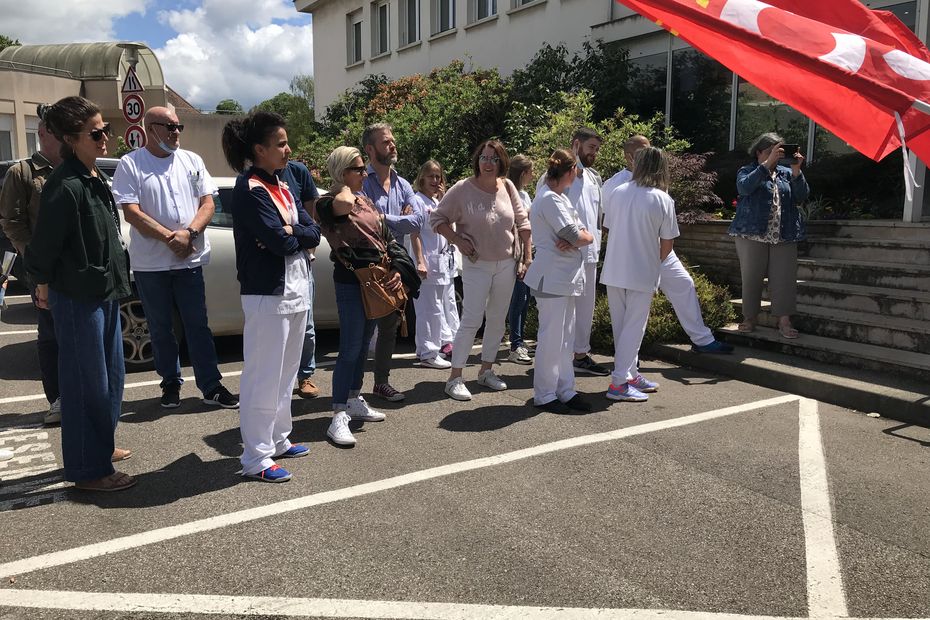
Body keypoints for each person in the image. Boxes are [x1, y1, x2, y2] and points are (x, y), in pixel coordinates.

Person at [25, 96, 135, 491]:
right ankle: (89, 470)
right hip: (77, 296)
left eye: (106, 129)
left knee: (112, 380)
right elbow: (42, 249)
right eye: (97, 132)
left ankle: (98, 448)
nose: (107, 137)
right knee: (87, 385)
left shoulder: (92, 177)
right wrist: (41, 285)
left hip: (103, 291)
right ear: (72, 138)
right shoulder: (66, 186)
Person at [112, 106, 238, 410]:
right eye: (170, 127)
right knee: (161, 328)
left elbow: (207, 203)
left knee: (198, 325)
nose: (176, 132)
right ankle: (170, 383)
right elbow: (131, 211)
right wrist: (171, 237)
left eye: (178, 126)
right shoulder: (131, 164)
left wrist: (190, 234)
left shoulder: (192, 161)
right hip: (151, 265)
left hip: (189, 261)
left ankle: (211, 386)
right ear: (150, 129)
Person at [221, 111, 320, 482]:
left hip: (295, 290)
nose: (287, 149)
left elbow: (313, 231)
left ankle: (279, 437)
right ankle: (256, 457)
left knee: (287, 371)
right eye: (280, 144)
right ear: (259, 149)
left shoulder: (282, 184)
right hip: (267, 294)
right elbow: (280, 242)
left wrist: (292, 231)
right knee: (262, 375)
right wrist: (292, 235)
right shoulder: (249, 188)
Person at [317, 146, 414, 446]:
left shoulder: (366, 200)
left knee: (362, 347)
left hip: (377, 279)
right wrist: (343, 184)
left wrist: (398, 266)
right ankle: (337, 415)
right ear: (342, 171)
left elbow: (385, 236)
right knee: (349, 347)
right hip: (352, 281)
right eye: (358, 169)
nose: (364, 173)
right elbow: (343, 203)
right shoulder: (329, 202)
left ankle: (353, 398)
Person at [603, 134, 733, 355]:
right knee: (630, 315)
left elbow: (663, 222)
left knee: (684, 284)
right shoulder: (614, 185)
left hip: (660, 250)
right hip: (632, 254)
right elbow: (607, 224)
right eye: (641, 153)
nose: (647, 156)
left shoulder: (656, 184)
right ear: (628, 157)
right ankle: (628, 364)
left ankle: (701, 339)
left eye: (649, 150)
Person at [431, 140, 532, 401]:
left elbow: (523, 223)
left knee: (498, 319)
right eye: (484, 158)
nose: (488, 163)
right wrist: (458, 241)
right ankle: (455, 378)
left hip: (506, 264)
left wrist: (526, 257)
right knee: (472, 320)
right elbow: (437, 219)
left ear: (502, 162)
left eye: (494, 159)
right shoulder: (463, 188)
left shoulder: (507, 186)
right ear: (477, 160)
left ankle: (486, 370)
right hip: (477, 264)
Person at [600, 147, 679, 403]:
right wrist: (650, 262)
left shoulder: (617, 192)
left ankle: (630, 375)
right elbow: (667, 245)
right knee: (634, 328)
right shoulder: (663, 199)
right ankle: (619, 383)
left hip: (614, 269)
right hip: (640, 272)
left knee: (622, 327)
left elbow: (609, 228)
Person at [0, 105, 63, 425]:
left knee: (78, 339)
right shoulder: (22, 173)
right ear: (42, 134)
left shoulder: (75, 166)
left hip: (76, 268)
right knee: (52, 337)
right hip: (43, 270)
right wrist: (36, 267)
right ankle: (58, 400)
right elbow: (12, 224)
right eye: (57, 130)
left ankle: (83, 403)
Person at [524, 150, 594, 413]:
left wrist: (582, 236)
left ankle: (565, 390)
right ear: (571, 171)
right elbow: (575, 235)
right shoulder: (550, 199)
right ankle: (544, 394)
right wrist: (584, 237)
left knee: (565, 339)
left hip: (563, 279)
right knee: (552, 339)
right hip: (552, 278)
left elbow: (579, 234)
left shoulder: (558, 198)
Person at [361, 123, 423, 402]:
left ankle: (381, 382)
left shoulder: (404, 183)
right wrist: (395, 219)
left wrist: (385, 218)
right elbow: (366, 222)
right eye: (386, 142)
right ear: (370, 149)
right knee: (361, 328)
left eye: (393, 141)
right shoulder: (362, 181)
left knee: (389, 325)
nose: (393, 145)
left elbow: (418, 221)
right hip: (367, 260)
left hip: (395, 260)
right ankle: (351, 391)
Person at [729, 132, 809, 339]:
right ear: (759, 152)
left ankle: (784, 321)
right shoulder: (747, 170)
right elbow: (744, 188)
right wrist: (765, 166)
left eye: (780, 152)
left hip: (784, 233)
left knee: (784, 279)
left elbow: (801, 197)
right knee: (751, 277)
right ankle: (749, 317)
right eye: (772, 151)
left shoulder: (786, 172)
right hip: (751, 233)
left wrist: (797, 170)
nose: (777, 156)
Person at [410, 160, 459, 369]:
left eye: (438, 176)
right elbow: (415, 234)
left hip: (441, 264)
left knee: (438, 308)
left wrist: (444, 196)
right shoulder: (417, 201)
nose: (435, 180)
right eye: (431, 176)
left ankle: (431, 349)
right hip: (427, 263)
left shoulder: (437, 202)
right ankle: (428, 353)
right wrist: (420, 261)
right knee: (428, 309)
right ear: (422, 177)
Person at [280, 160, 321, 399]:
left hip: (302, 259)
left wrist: (309, 247)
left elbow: (310, 215)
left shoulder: (297, 172)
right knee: (276, 328)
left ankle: (305, 376)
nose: (286, 150)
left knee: (306, 325)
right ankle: (279, 379)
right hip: (275, 262)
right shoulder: (254, 177)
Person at [505, 154, 535, 365]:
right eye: (531, 172)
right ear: (523, 173)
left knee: (524, 299)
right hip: (514, 253)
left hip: (527, 251)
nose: (533, 176)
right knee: (517, 299)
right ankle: (515, 343)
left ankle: (520, 340)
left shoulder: (524, 194)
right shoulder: (508, 193)